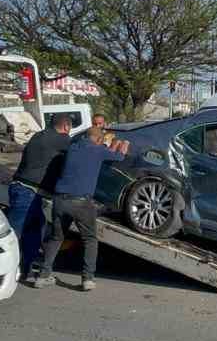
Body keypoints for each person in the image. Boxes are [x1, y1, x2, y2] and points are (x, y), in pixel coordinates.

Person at [30, 123, 130, 291]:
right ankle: (87, 279)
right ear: (99, 140)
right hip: (82, 203)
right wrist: (124, 142)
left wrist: (106, 143)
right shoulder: (98, 151)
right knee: (89, 239)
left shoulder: (73, 148)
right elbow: (119, 156)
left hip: (60, 201)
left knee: (56, 238)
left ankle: (42, 276)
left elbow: (101, 150)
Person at [8, 113, 73, 280]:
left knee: (35, 230)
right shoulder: (61, 139)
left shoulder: (39, 135)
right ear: (66, 127)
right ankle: (9, 270)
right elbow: (81, 149)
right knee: (16, 233)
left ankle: (25, 270)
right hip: (27, 191)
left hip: (24, 189)